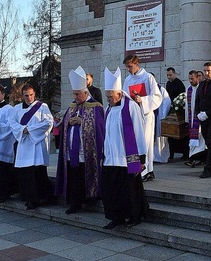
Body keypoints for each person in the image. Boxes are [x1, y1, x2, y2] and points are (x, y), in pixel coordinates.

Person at [101, 67, 148, 229]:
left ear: (119, 94)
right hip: (110, 158)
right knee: (112, 190)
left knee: (129, 190)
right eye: (107, 97)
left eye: (110, 97)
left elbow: (138, 132)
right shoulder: (108, 109)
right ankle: (116, 217)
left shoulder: (131, 107)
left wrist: (141, 158)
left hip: (127, 158)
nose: (108, 100)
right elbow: (107, 133)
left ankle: (134, 216)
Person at [56, 67, 104, 215]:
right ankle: (74, 203)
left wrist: (83, 121)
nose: (75, 97)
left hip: (87, 152)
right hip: (72, 151)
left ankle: (89, 198)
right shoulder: (72, 107)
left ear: (85, 93)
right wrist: (67, 122)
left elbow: (100, 127)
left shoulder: (96, 107)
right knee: (73, 178)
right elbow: (65, 124)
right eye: (74, 94)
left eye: (77, 94)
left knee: (84, 175)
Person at [10, 84, 54, 210]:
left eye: (31, 95)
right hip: (24, 145)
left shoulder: (42, 107)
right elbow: (12, 123)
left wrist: (29, 130)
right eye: (26, 95)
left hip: (37, 146)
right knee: (26, 174)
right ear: (22, 96)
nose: (29, 98)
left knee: (37, 173)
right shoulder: (17, 108)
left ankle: (41, 198)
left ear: (34, 94)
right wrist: (22, 130)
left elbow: (48, 123)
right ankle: (29, 199)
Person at [122, 54, 162, 181]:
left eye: (130, 66)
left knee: (144, 142)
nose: (128, 69)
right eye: (127, 67)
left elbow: (156, 96)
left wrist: (142, 100)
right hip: (133, 116)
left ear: (136, 64)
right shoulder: (127, 80)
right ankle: (140, 169)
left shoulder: (148, 77)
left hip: (145, 115)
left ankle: (146, 170)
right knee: (135, 142)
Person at [184, 70, 206, 167]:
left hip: (200, 119)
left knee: (201, 141)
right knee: (193, 141)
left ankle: (193, 159)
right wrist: (186, 119)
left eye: (192, 78)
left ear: (197, 78)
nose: (190, 80)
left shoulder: (201, 88)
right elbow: (186, 105)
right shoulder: (189, 89)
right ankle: (193, 159)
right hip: (191, 119)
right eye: (189, 79)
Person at [153, 83, 171, 163]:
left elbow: (167, 101)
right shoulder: (147, 89)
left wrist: (164, 115)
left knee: (160, 137)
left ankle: (162, 157)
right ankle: (153, 157)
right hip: (150, 117)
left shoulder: (161, 90)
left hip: (159, 116)